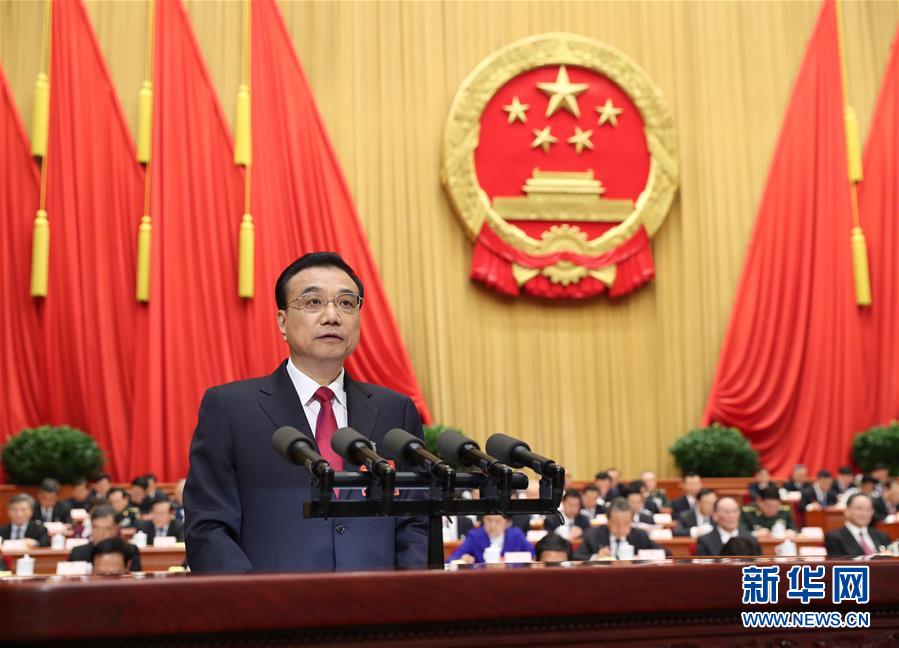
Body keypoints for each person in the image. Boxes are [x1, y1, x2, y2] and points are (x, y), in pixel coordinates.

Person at [185, 252, 428, 572]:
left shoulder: (394, 410)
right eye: (313, 302)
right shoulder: (231, 409)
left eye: (346, 303)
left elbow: (417, 524)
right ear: (282, 322)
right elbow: (208, 528)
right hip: (273, 613)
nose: (332, 316)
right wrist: (252, 606)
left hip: (377, 611)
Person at [573, 499, 665, 560]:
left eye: (626, 524)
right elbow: (576, 557)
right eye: (616, 523)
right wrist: (596, 557)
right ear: (608, 520)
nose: (621, 528)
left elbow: (665, 553)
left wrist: (642, 556)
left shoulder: (640, 535)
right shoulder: (593, 534)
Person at [67, 505, 142, 571]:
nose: (101, 534)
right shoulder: (78, 553)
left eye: (107, 528)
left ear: (116, 528)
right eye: (97, 528)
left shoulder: (130, 551)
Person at [446, 514, 534, 563]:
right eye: (489, 520)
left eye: (497, 521)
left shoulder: (516, 535)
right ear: (483, 520)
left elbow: (531, 554)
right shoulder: (475, 536)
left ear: (506, 522)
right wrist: (463, 559)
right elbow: (452, 558)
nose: (492, 525)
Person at [824, 493, 891, 557]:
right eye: (859, 508)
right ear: (847, 511)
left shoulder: (882, 536)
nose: (864, 513)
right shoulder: (834, 538)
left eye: (868, 509)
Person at [696, 497, 761, 556]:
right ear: (715, 515)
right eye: (726, 512)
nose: (731, 516)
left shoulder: (751, 539)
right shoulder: (705, 542)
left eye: (735, 511)